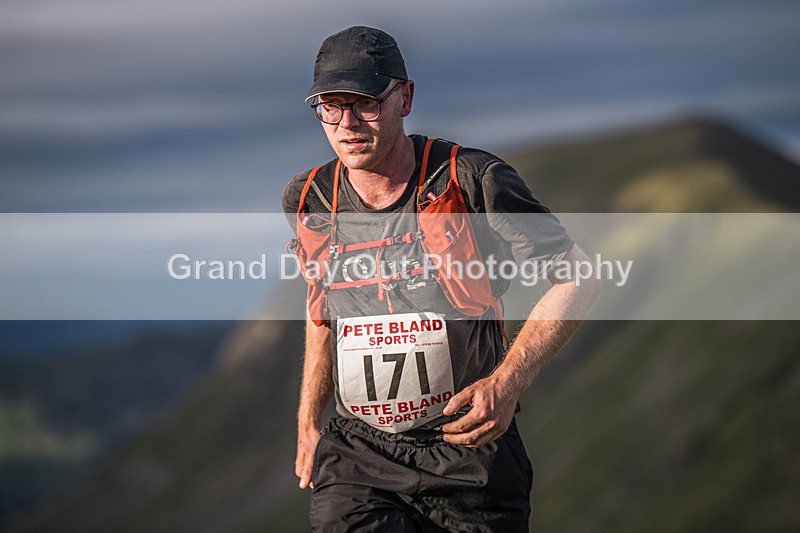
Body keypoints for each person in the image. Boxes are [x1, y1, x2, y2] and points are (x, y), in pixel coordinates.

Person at [282, 26, 600, 532]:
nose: (347, 123)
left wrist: (506, 382)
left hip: (469, 453)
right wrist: (307, 420)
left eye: (366, 103)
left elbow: (578, 277)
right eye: (331, 106)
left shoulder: (473, 180)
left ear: (405, 98)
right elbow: (322, 308)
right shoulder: (310, 198)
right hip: (359, 456)